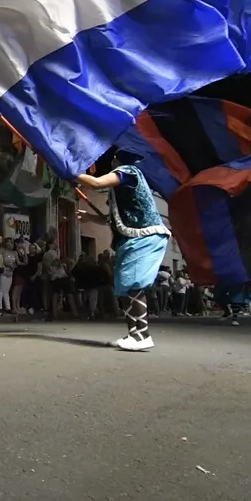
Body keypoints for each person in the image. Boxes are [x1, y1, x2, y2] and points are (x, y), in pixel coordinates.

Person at [77, 150, 170, 352]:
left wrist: (70, 172)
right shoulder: (121, 187)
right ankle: (133, 334)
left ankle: (143, 335)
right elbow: (112, 219)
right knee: (124, 286)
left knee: (133, 284)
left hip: (144, 236)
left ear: (117, 160)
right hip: (131, 238)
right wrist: (89, 218)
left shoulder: (129, 172)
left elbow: (96, 183)